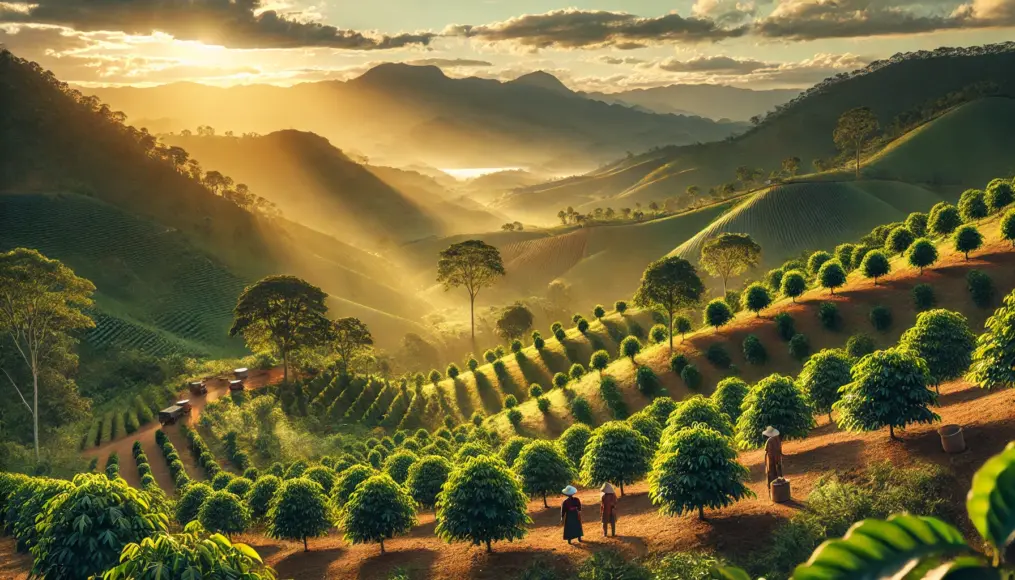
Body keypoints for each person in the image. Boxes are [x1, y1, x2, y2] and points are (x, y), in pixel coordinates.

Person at [763, 426, 784, 496]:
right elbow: (780, 450)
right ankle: (781, 490)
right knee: (779, 474)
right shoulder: (778, 439)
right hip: (778, 459)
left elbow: (767, 451)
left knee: (771, 475)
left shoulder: (769, 441)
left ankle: (772, 491)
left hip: (771, 460)